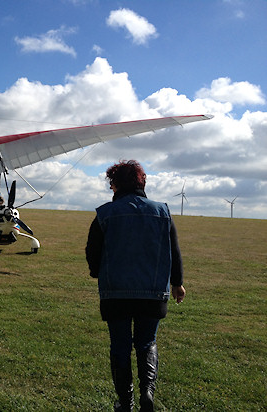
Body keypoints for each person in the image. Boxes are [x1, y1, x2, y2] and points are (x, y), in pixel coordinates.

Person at [85, 160, 185, 412]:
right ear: (142, 182)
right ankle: (147, 392)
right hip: (153, 294)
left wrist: (96, 272)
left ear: (115, 184)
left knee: (120, 345)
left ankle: (125, 401)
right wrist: (177, 283)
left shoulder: (105, 214)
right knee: (147, 341)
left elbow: (93, 250)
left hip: (115, 293)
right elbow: (174, 250)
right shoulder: (162, 212)